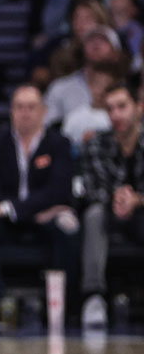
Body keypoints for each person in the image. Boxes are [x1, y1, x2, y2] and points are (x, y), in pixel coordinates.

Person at [0, 84, 79, 322]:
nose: (25, 112)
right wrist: (23, 210)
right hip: (10, 221)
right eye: (19, 107)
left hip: (44, 220)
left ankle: (64, 307)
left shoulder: (59, 143)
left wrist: (14, 209)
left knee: (68, 222)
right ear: (11, 111)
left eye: (31, 107)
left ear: (44, 111)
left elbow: (58, 192)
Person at [77, 83, 144, 329]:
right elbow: (92, 187)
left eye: (122, 107)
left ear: (139, 108)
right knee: (93, 215)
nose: (116, 114)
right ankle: (93, 296)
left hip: (141, 212)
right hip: (108, 211)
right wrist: (119, 197)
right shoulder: (95, 143)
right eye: (110, 109)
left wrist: (138, 199)